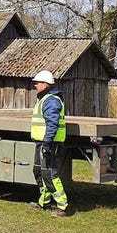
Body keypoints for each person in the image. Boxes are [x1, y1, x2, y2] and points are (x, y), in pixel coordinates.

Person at [29, 70, 69, 217]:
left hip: (50, 143)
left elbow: (52, 124)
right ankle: (44, 202)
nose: (35, 85)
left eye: (37, 83)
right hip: (42, 142)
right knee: (39, 171)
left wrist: (47, 143)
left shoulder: (51, 100)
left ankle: (62, 206)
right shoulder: (44, 98)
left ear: (45, 84)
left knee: (50, 174)